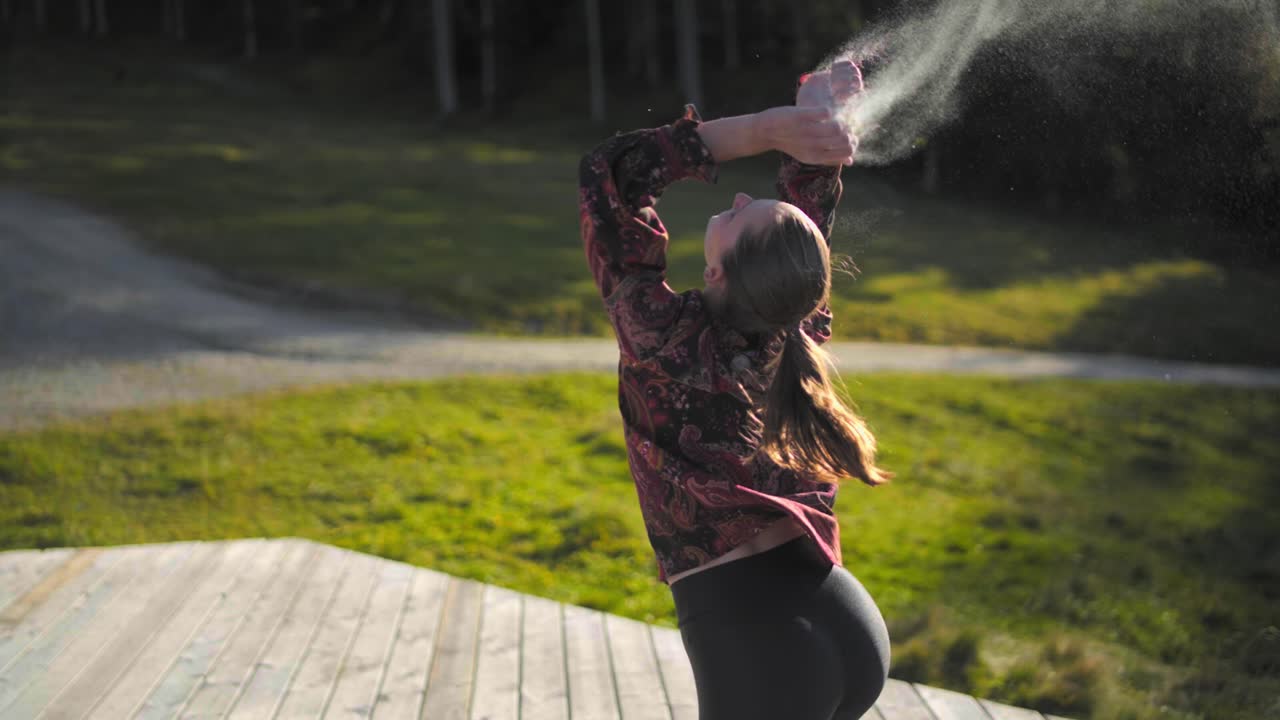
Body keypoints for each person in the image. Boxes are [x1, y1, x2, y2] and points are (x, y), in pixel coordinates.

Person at [578, 59, 893, 719]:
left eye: (747, 212)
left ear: (719, 271)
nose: (743, 198)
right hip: (843, 623)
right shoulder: (794, 327)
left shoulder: (661, 337)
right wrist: (817, 119)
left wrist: (764, 129)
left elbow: (613, 173)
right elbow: (802, 222)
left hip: (762, 650)